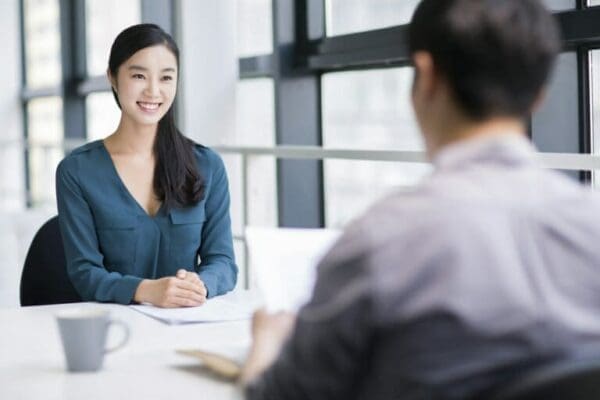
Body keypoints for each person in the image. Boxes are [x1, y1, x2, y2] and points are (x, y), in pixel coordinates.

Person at [240, 0, 600, 398]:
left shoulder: (383, 239)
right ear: (539, 96)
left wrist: (267, 345)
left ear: (427, 77)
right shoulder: (592, 224)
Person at [56, 24, 237, 307]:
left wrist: (198, 285)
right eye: (139, 75)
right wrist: (146, 290)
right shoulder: (77, 171)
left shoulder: (207, 165)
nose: (153, 91)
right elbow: (85, 273)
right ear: (112, 78)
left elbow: (223, 262)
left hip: (189, 324)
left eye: (166, 78)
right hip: (115, 329)